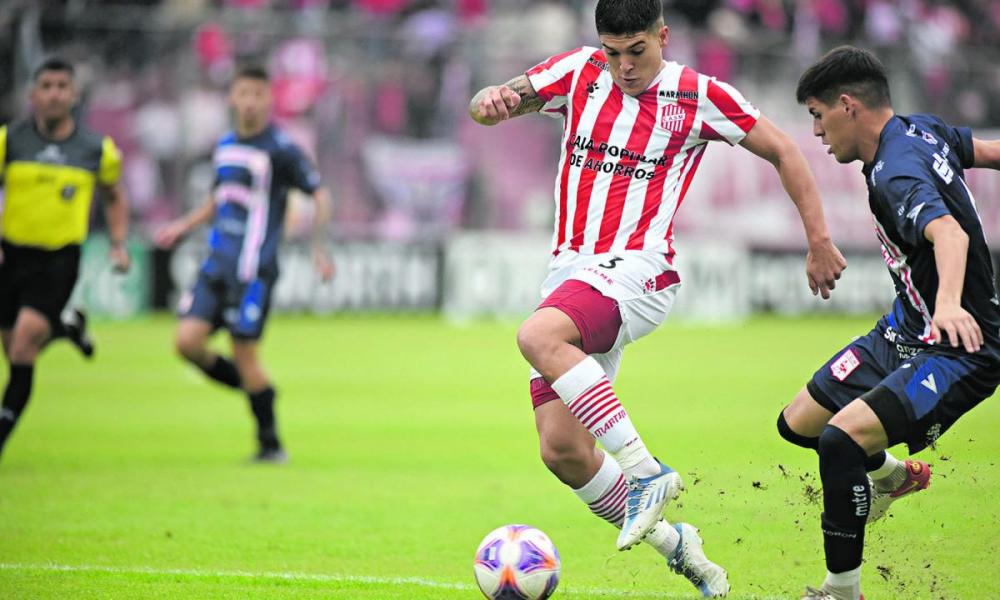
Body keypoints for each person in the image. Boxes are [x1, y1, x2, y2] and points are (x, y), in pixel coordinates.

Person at [468, 0, 846, 595]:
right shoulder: (579, 71)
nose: (623, 66)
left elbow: (785, 150)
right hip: (571, 276)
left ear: (663, 37)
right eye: (613, 52)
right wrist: (489, 100)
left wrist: (819, 240)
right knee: (563, 450)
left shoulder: (698, 94)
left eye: (636, 51)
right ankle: (681, 547)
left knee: (537, 335)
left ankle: (647, 471)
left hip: (640, 270)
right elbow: (492, 104)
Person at [788, 46, 1000, 600]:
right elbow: (986, 151)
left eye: (817, 115)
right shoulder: (919, 129)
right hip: (905, 330)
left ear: (847, 105)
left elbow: (949, 233)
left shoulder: (895, 173)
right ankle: (890, 477)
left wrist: (949, 304)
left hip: (958, 347)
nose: (816, 131)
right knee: (799, 423)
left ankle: (841, 590)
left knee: (839, 442)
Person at [156, 65, 334, 464]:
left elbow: (320, 193)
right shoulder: (224, 145)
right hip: (216, 264)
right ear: (231, 98)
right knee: (187, 343)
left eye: (257, 94)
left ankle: (270, 444)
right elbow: (219, 197)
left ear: (269, 98)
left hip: (254, 272)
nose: (250, 102)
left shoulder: (281, 149)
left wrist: (319, 248)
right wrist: (183, 225)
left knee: (245, 354)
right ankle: (259, 392)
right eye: (243, 94)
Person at [0, 57, 131, 463]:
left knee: (24, 345)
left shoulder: (96, 149)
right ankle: (64, 328)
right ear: (33, 94)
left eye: (62, 87)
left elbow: (113, 196)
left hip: (59, 259)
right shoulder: (9, 141)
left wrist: (119, 243)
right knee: (14, 347)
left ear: (74, 95)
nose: (54, 94)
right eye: (47, 86)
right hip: (12, 255)